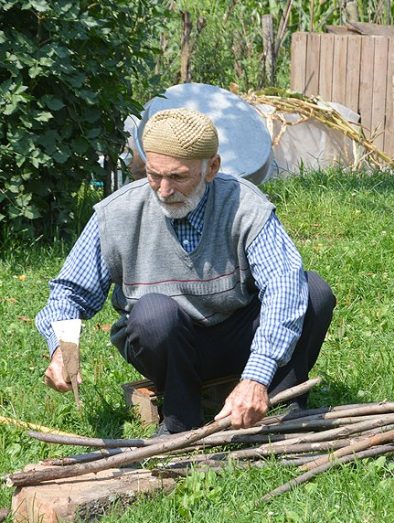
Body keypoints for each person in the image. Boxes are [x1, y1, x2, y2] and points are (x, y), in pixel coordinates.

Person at [35, 108, 335, 435]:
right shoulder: (116, 214)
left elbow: (283, 286)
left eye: (178, 177)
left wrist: (256, 375)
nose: (164, 189)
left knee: (312, 291)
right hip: (168, 343)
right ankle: (180, 419)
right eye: (153, 175)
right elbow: (69, 294)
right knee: (153, 313)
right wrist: (62, 350)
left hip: (239, 337)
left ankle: (281, 405)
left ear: (212, 168)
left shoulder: (245, 206)